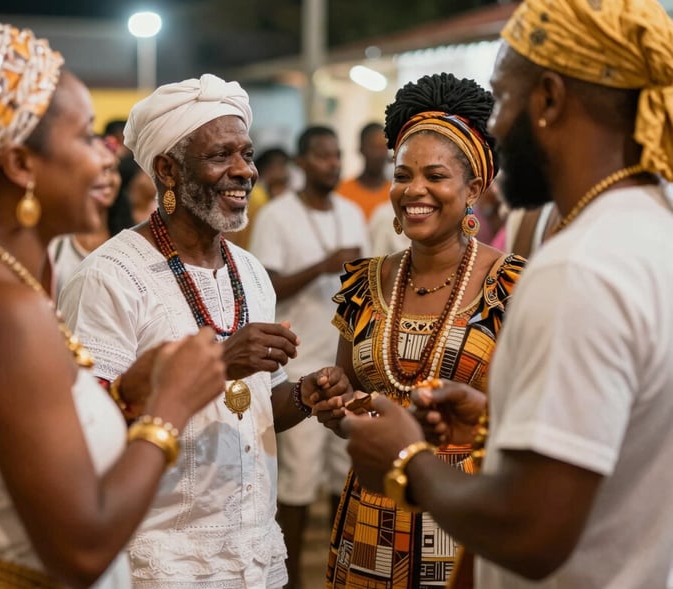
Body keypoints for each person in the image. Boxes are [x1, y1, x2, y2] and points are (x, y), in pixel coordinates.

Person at [340, 1, 673, 587]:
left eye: (505, 97)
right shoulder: (651, 232)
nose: (494, 127)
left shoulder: (577, 268)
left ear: (547, 98)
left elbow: (533, 532)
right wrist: (495, 423)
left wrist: (407, 462)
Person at [0, 2, 229, 587]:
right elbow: (81, 548)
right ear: (21, 164)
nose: (107, 157)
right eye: (84, 136)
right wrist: (171, 407)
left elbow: (9, 450)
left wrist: (128, 391)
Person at [58, 74, 351, 588]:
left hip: (255, 557)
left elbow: (249, 407)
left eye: (248, 154)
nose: (244, 172)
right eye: (221, 156)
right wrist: (219, 362)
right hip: (161, 561)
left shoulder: (250, 272)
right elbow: (82, 434)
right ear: (167, 170)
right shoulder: (110, 277)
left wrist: (304, 395)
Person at [323, 73, 526, 588]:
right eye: (403, 174)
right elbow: (351, 392)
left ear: (474, 189)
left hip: (465, 519)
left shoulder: (512, 285)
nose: (414, 190)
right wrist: (336, 400)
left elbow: (533, 413)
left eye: (435, 175)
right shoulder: (365, 283)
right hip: (371, 519)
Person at [250, 125, 370, 589]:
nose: (333, 163)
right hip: (297, 371)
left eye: (337, 154)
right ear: (302, 162)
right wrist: (323, 265)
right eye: (322, 155)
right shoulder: (278, 216)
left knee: (348, 479)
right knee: (297, 490)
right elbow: (268, 287)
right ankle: (292, 580)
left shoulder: (352, 212)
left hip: (346, 368)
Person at [49, 137, 130, 297]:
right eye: (97, 170)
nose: (106, 178)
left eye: (111, 170)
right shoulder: (55, 245)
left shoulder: (131, 239)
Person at [225, 146, 290, 250]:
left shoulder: (260, 194)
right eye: (284, 166)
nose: (288, 173)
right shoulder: (257, 197)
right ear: (272, 168)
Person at [336, 122, 392, 220]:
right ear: (361, 149)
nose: (380, 154)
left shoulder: (395, 193)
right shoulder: (341, 192)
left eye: (384, 147)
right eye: (374, 147)